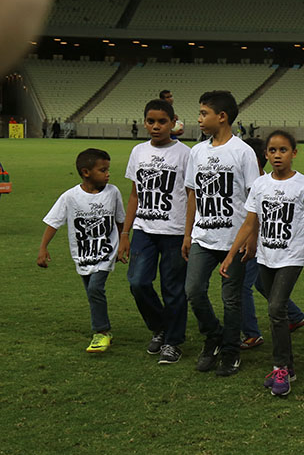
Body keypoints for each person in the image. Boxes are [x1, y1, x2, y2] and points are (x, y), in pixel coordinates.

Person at [220, 130, 304, 397]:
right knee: (276, 311)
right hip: (266, 256)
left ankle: (280, 369)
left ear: (294, 153)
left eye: (283, 150)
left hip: (292, 257)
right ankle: (289, 367)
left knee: (276, 308)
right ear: (265, 154)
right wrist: (231, 254)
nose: (277, 155)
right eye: (272, 150)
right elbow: (250, 222)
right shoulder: (260, 185)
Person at [183, 90, 260, 377]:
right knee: (193, 291)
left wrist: (252, 237)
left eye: (204, 113)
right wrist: (188, 234)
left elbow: (255, 199)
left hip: (233, 240)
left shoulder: (243, 152)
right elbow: (193, 195)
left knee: (232, 300)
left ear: (222, 117)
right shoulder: (197, 152)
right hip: (203, 236)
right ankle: (213, 335)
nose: (199, 119)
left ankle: (230, 352)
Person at [117, 99, 191, 364]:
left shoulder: (185, 154)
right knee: (137, 282)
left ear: (173, 123)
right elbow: (134, 195)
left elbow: (192, 196)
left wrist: (188, 233)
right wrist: (125, 234)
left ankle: (172, 342)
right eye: (151, 121)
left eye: (162, 121)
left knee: (173, 289)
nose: (156, 126)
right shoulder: (138, 151)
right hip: (144, 230)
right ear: (144, 123)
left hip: (174, 231)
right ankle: (161, 327)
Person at [37, 148, 125, 352]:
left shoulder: (113, 192)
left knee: (95, 289)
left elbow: (120, 220)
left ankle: (101, 332)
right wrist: (43, 248)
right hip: (83, 255)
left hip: (106, 252)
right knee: (91, 292)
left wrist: (124, 243)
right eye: (103, 170)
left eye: (108, 169)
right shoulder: (70, 197)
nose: (108, 174)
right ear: (86, 172)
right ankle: (103, 329)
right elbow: (53, 222)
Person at [239, 138, 304, 350]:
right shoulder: (261, 180)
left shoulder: (262, 182)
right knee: (261, 283)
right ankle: (295, 315)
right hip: (257, 242)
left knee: (243, 285)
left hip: (262, 243)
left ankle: (252, 333)